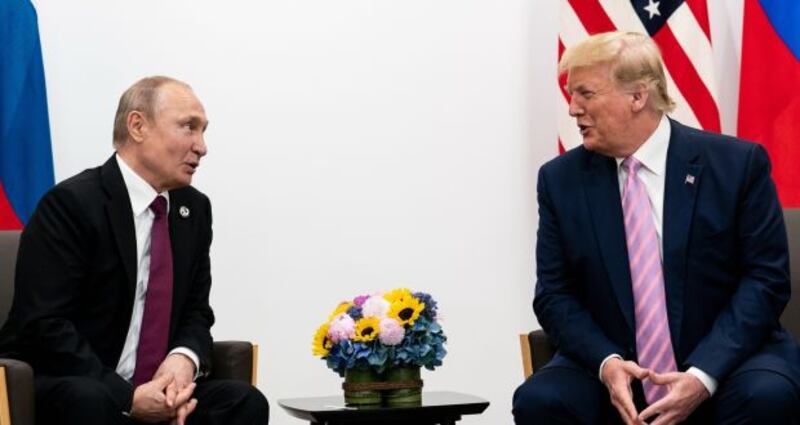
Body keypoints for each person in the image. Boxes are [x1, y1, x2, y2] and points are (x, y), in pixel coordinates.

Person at [513, 32, 799, 424]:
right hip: (615, 365)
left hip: (728, 360)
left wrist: (702, 374)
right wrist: (606, 362)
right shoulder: (561, 180)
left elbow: (766, 280)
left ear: (637, 96)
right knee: (541, 399)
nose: (573, 109)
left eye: (585, 94)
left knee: (767, 396)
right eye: (571, 95)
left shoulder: (735, 165)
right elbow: (554, 294)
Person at [0, 76, 269, 424]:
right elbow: (45, 326)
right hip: (75, 381)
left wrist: (182, 361)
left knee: (243, 402)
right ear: (138, 126)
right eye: (189, 127)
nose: (202, 146)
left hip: (152, 387)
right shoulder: (72, 204)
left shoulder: (193, 210)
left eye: (203, 131)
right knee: (90, 400)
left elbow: (196, 312)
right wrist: (126, 397)